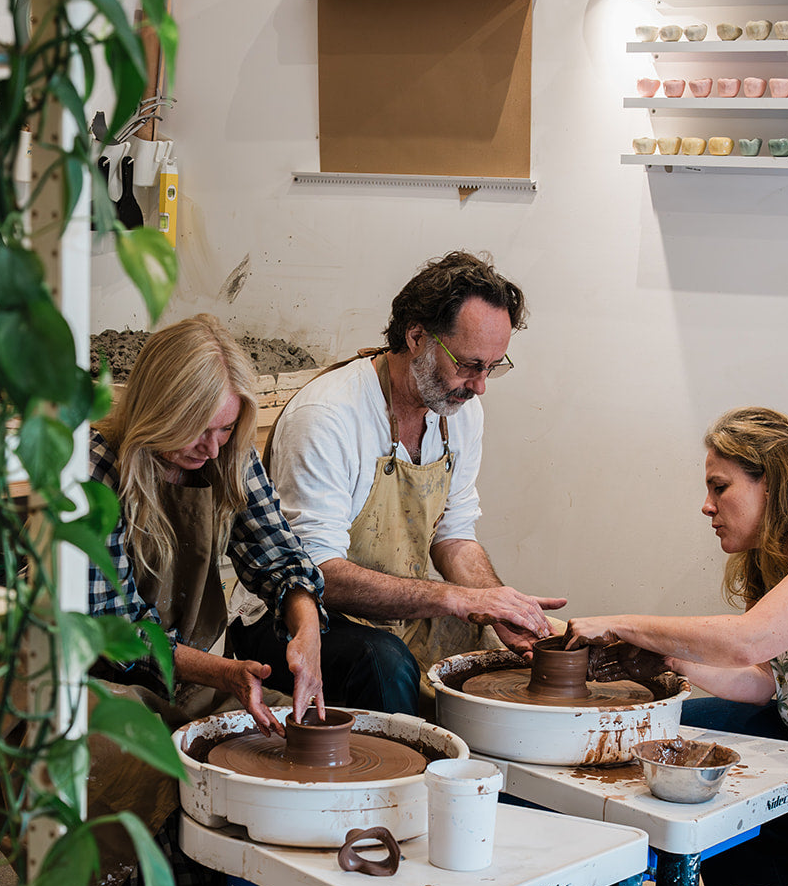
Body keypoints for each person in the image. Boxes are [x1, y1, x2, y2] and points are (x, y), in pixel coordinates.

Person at [86, 314, 360, 886]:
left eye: (223, 432)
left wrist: (303, 626)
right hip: (79, 678)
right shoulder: (91, 468)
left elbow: (281, 557)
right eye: (198, 432)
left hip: (184, 674)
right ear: (158, 410)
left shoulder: (224, 455)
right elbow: (111, 629)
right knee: (138, 760)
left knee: (256, 759)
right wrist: (221, 673)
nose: (211, 450)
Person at [232, 251, 566, 715]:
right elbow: (317, 571)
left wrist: (498, 607)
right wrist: (457, 598)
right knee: (384, 662)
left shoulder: (460, 412)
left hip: (391, 609)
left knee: (529, 645)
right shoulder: (328, 416)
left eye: (493, 367)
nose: (480, 386)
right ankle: (400, 783)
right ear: (416, 336)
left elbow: (454, 535)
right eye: (469, 364)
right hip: (290, 615)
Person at [566, 406, 788, 886]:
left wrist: (621, 622)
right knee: (682, 740)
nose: (707, 506)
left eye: (720, 487)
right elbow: (768, 683)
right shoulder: (773, 560)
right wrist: (666, 660)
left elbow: (749, 639)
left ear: (771, 483)